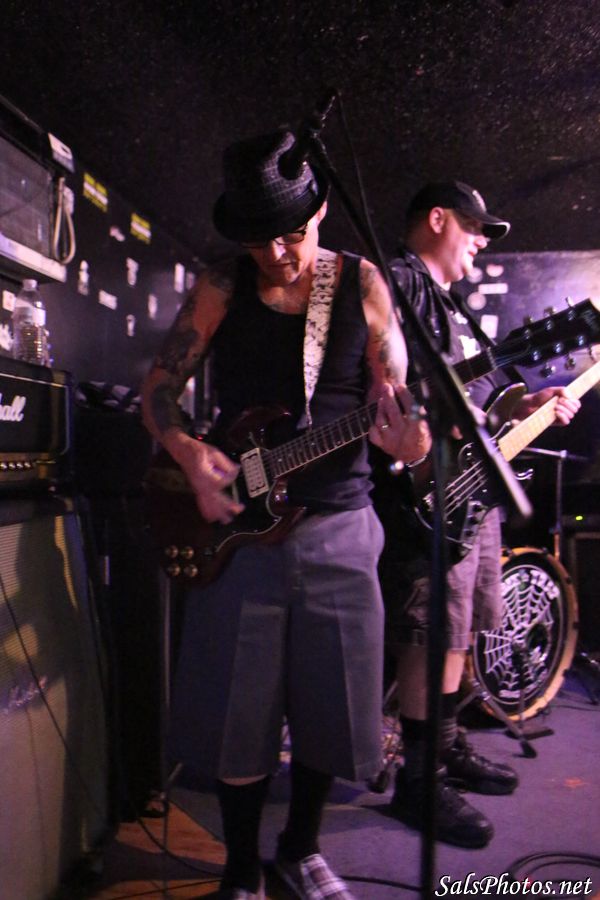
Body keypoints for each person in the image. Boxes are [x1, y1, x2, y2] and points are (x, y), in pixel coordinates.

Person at [141, 129, 429, 900]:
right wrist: (186, 452)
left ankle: (300, 851)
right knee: (239, 714)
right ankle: (242, 867)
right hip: (242, 532)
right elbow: (160, 386)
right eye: (259, 239)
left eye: (292, 234)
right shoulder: (223, 284)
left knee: (333, 707)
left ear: (320, 210)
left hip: (341, 524)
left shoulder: (362, 283)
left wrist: (409, 441)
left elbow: (396, 396)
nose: (277, 253)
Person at [377, 180, 581, 848]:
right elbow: (394, 388)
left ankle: (446, 743)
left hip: (472, 484)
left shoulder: (451, 305)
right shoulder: (398, 284)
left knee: (461, 624)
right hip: (427, 485)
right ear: (437, 219)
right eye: (473, 229)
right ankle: (418, 778)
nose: (480, 244)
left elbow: (477, 397)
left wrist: (523, 405)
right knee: (429, 629)